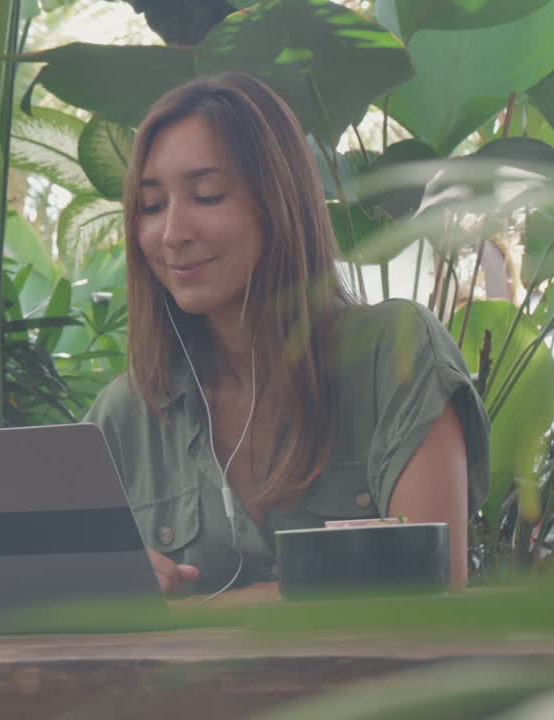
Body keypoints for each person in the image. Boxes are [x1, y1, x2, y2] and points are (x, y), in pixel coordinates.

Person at [82, 73, 490, 598]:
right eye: (153, 206)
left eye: (207, 195)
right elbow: (46, 604)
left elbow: (426, 588)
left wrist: (185, 620)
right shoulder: (124, 417)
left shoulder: (397, 353)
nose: (172, 233)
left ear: (279, 202)